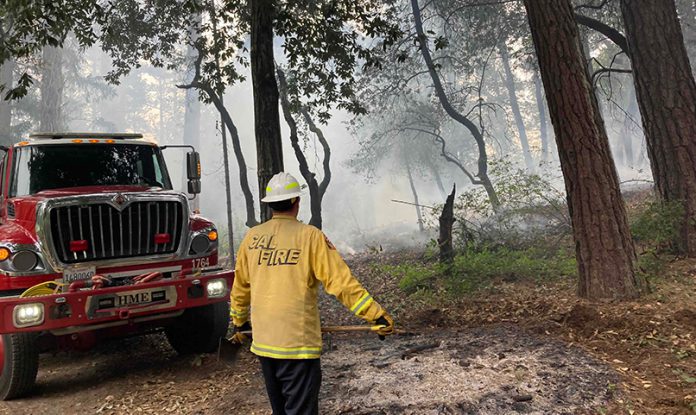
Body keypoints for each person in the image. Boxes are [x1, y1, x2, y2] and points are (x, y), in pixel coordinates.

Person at [229, 172, 394, 415]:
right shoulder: (310, 237)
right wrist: (376, 316)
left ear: (269, 204)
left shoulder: (251, 238)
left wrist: (239, 324)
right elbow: (341, 282)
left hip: (264, 344)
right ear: (297, 202)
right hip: (297, 345)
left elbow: (240, 287)